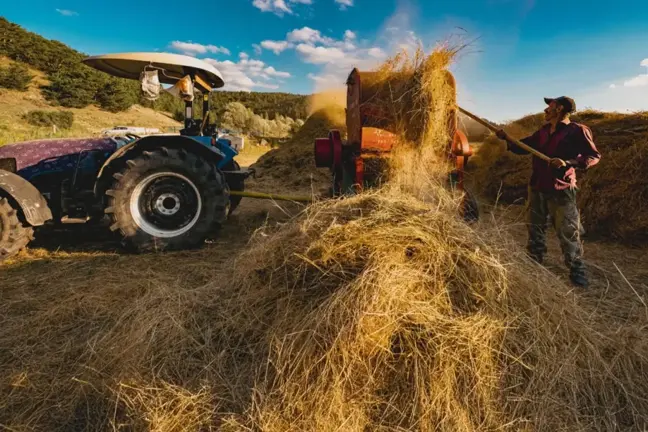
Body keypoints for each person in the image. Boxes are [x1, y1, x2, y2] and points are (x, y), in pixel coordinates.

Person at [495, 96, 601, 288]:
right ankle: (534, 258)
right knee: (534, 226)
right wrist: (508, 139)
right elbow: (525, 147)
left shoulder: (577, 130)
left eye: (549, 107)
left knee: (568, 230)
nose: (545, 110)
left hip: (560, 187)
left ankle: (576, 268)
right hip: (537, 186)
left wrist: (568, 163)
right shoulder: (543, 132)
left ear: (559, 109)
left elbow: (593, 156)